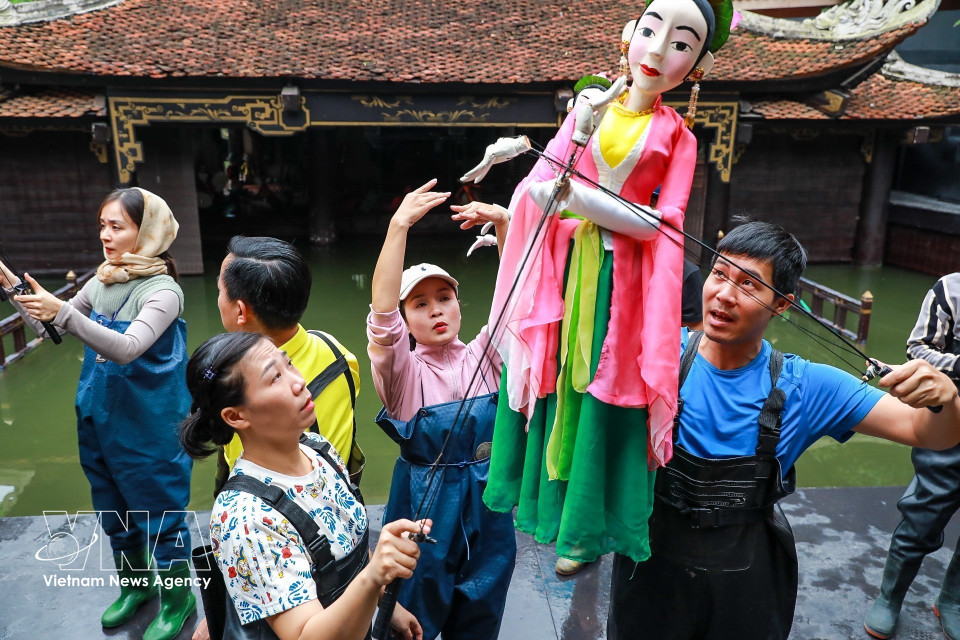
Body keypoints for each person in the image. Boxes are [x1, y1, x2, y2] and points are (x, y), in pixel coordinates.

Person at [473, 0, 736, 569]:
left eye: (683, 43)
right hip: (567, 271)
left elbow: (663, 222)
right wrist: (540, 191)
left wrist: (580, 199)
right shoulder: (588, 108)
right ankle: (555, 511)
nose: (660, 49)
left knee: (604, 386)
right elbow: (541, 182)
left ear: (697, 68)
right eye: (651, 30)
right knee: (561, 378)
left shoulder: (680, 139)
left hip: (628, 283)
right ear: (627, 35)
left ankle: (586, 531)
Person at [606, 219, 960, 640]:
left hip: (746, 577)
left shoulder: (806, 385)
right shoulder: (659, 355)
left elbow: (931, 434)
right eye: (719, 273)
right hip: (649, 562)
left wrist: (945, 399)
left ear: (782, 305)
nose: (724, 294)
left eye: (749, 284)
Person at [0, 188, 196, 640]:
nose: (105, 236)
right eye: (102, 226)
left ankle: (179, 598)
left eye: (117, 226)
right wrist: (14, 288)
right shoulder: (101, 280)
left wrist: (64, 311)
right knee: (113, 508)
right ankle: (138, 585)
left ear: (145, 232)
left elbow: (128, 349)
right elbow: (49, 327)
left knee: (162, 514)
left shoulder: (163, 291)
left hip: (149, 424)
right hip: (99, 417)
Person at [178, 332, 427, 640]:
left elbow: (348, 544)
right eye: (275, 378)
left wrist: (388, 603)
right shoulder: (244, 519)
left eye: (289, 364)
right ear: (236, 416)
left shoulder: (318, 449)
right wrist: (374, 579)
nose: (298, 381)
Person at [367, 179, 515, 640]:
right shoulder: (402, 374)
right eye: (421, 303)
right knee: (417, 607)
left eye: (445, 299)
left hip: (488, 496)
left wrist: (507, 225)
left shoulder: (486, 355)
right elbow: (382, 316)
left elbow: (516, 299)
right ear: (406, 320)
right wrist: (397, 228)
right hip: (426, 500)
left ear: (458, 305)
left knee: (484, 601)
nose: (437, 311)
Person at [215, 236, 364, 490]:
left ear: (240, 311)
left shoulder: (241, 388)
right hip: (340, 501)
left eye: (220, 290)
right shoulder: (337, 351)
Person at [864, 271, 960, 640]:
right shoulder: (950, 289)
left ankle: (952, 599)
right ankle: (890, 597)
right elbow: (917, 350)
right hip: (950, 421)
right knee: (923, 512)